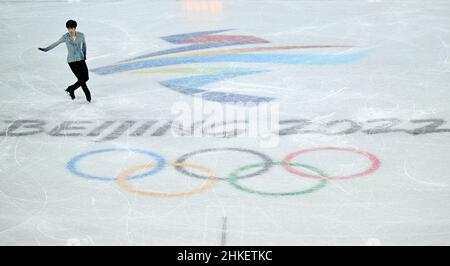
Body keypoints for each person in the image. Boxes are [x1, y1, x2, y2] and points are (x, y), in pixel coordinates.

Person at [38, 19, 91, 102]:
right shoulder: (65, 37)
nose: (70, 30)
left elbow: (84, 45)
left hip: (81, 59)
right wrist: (46, 49)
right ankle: (88, 95)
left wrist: (84, 55)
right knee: (81, 79)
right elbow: (56, 43)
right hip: (72, 61)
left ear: (75, 27)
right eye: (69, 28)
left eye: (72, 28)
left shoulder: (81, 35)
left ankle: (71, 89)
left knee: (86, 78)